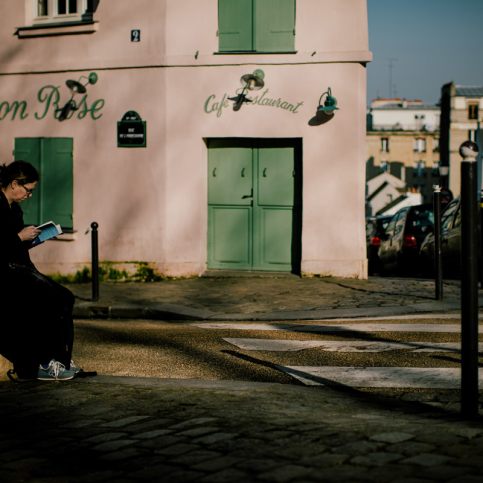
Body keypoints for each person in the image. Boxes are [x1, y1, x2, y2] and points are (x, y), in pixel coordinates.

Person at [0, 160, 81, 381]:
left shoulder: (14, 208)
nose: (30, 195)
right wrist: (18, 237)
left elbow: (16, 247)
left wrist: (30, 240)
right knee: (45, 302)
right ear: (14, 183)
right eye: (28, 190)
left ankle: (61, 361)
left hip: (19, 267)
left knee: (65, 297)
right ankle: (45, 363)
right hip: (5, 273)